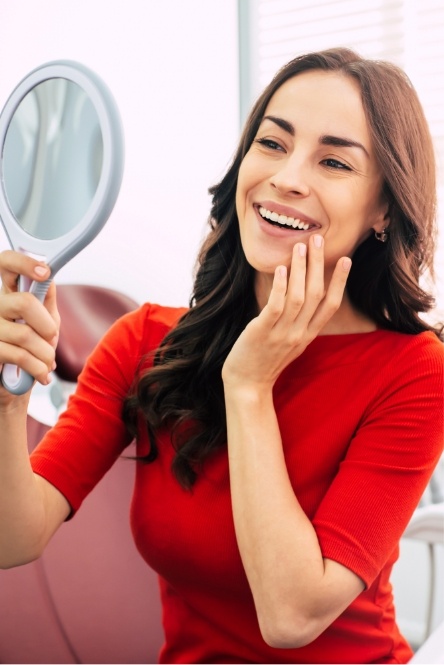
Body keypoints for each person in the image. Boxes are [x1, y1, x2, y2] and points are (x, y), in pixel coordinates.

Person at [0, 47, 442, 664]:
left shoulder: (416, 371)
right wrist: (4, 403)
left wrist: (249, 386)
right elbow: (13, 537)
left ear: (384, 210)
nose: (288, 176)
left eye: (334, 160)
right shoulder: (143, 342)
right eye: (272, 143)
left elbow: (291, 615)